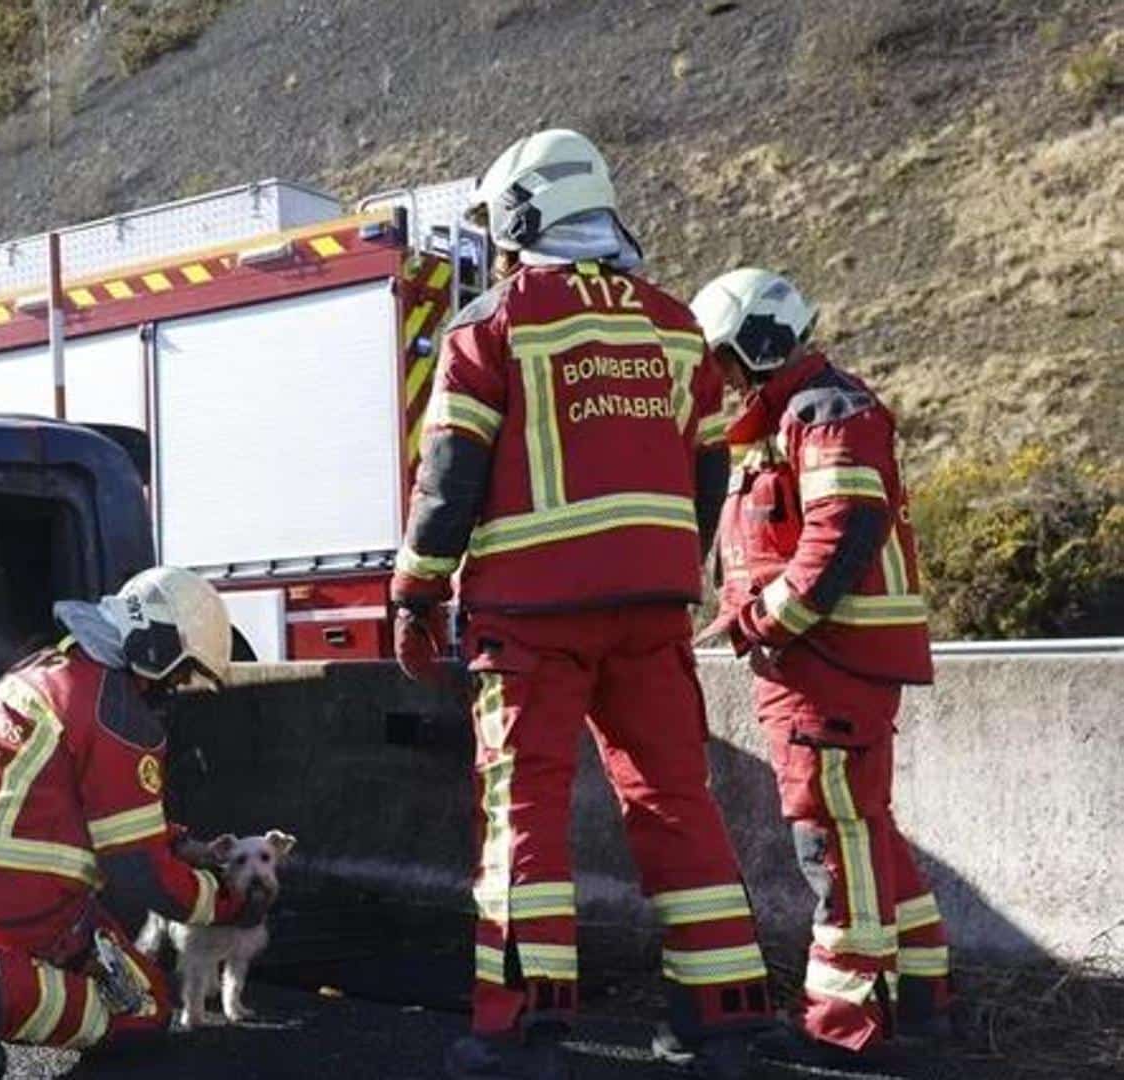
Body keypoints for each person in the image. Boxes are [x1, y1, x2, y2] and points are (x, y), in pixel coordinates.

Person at [391, 128, 771, 1079]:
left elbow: (449, 478)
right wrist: (672, 568)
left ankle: (520, 1031)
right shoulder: (677, 324)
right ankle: (718, 1021)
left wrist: (414, 591)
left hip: (529, 619)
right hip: (649, 614)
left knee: (526, 814)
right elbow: (707, 472)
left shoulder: (493, 325)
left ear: (520, 216)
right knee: (677, 805)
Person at [691, 268, 954, 1066]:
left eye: (725, 359)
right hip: (816, 664)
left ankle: (847, 1026)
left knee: (832, 842)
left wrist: (770, 621)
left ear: (756, 341)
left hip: (826, 665)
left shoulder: (825, 411)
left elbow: (844, 531)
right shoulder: (791, 416)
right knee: (862, 830)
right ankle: (922, 995)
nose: (723, 378)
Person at [0, 566, 269, 1080]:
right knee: (147, 1009)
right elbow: (139, 873)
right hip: (15, 889)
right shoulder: (119, 713)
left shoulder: (48, 668)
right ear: (158, 647)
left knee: (126, 969)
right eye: (179, 672)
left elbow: (92, 813)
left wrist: (185, 846)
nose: (173, 688)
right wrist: (227, 903)